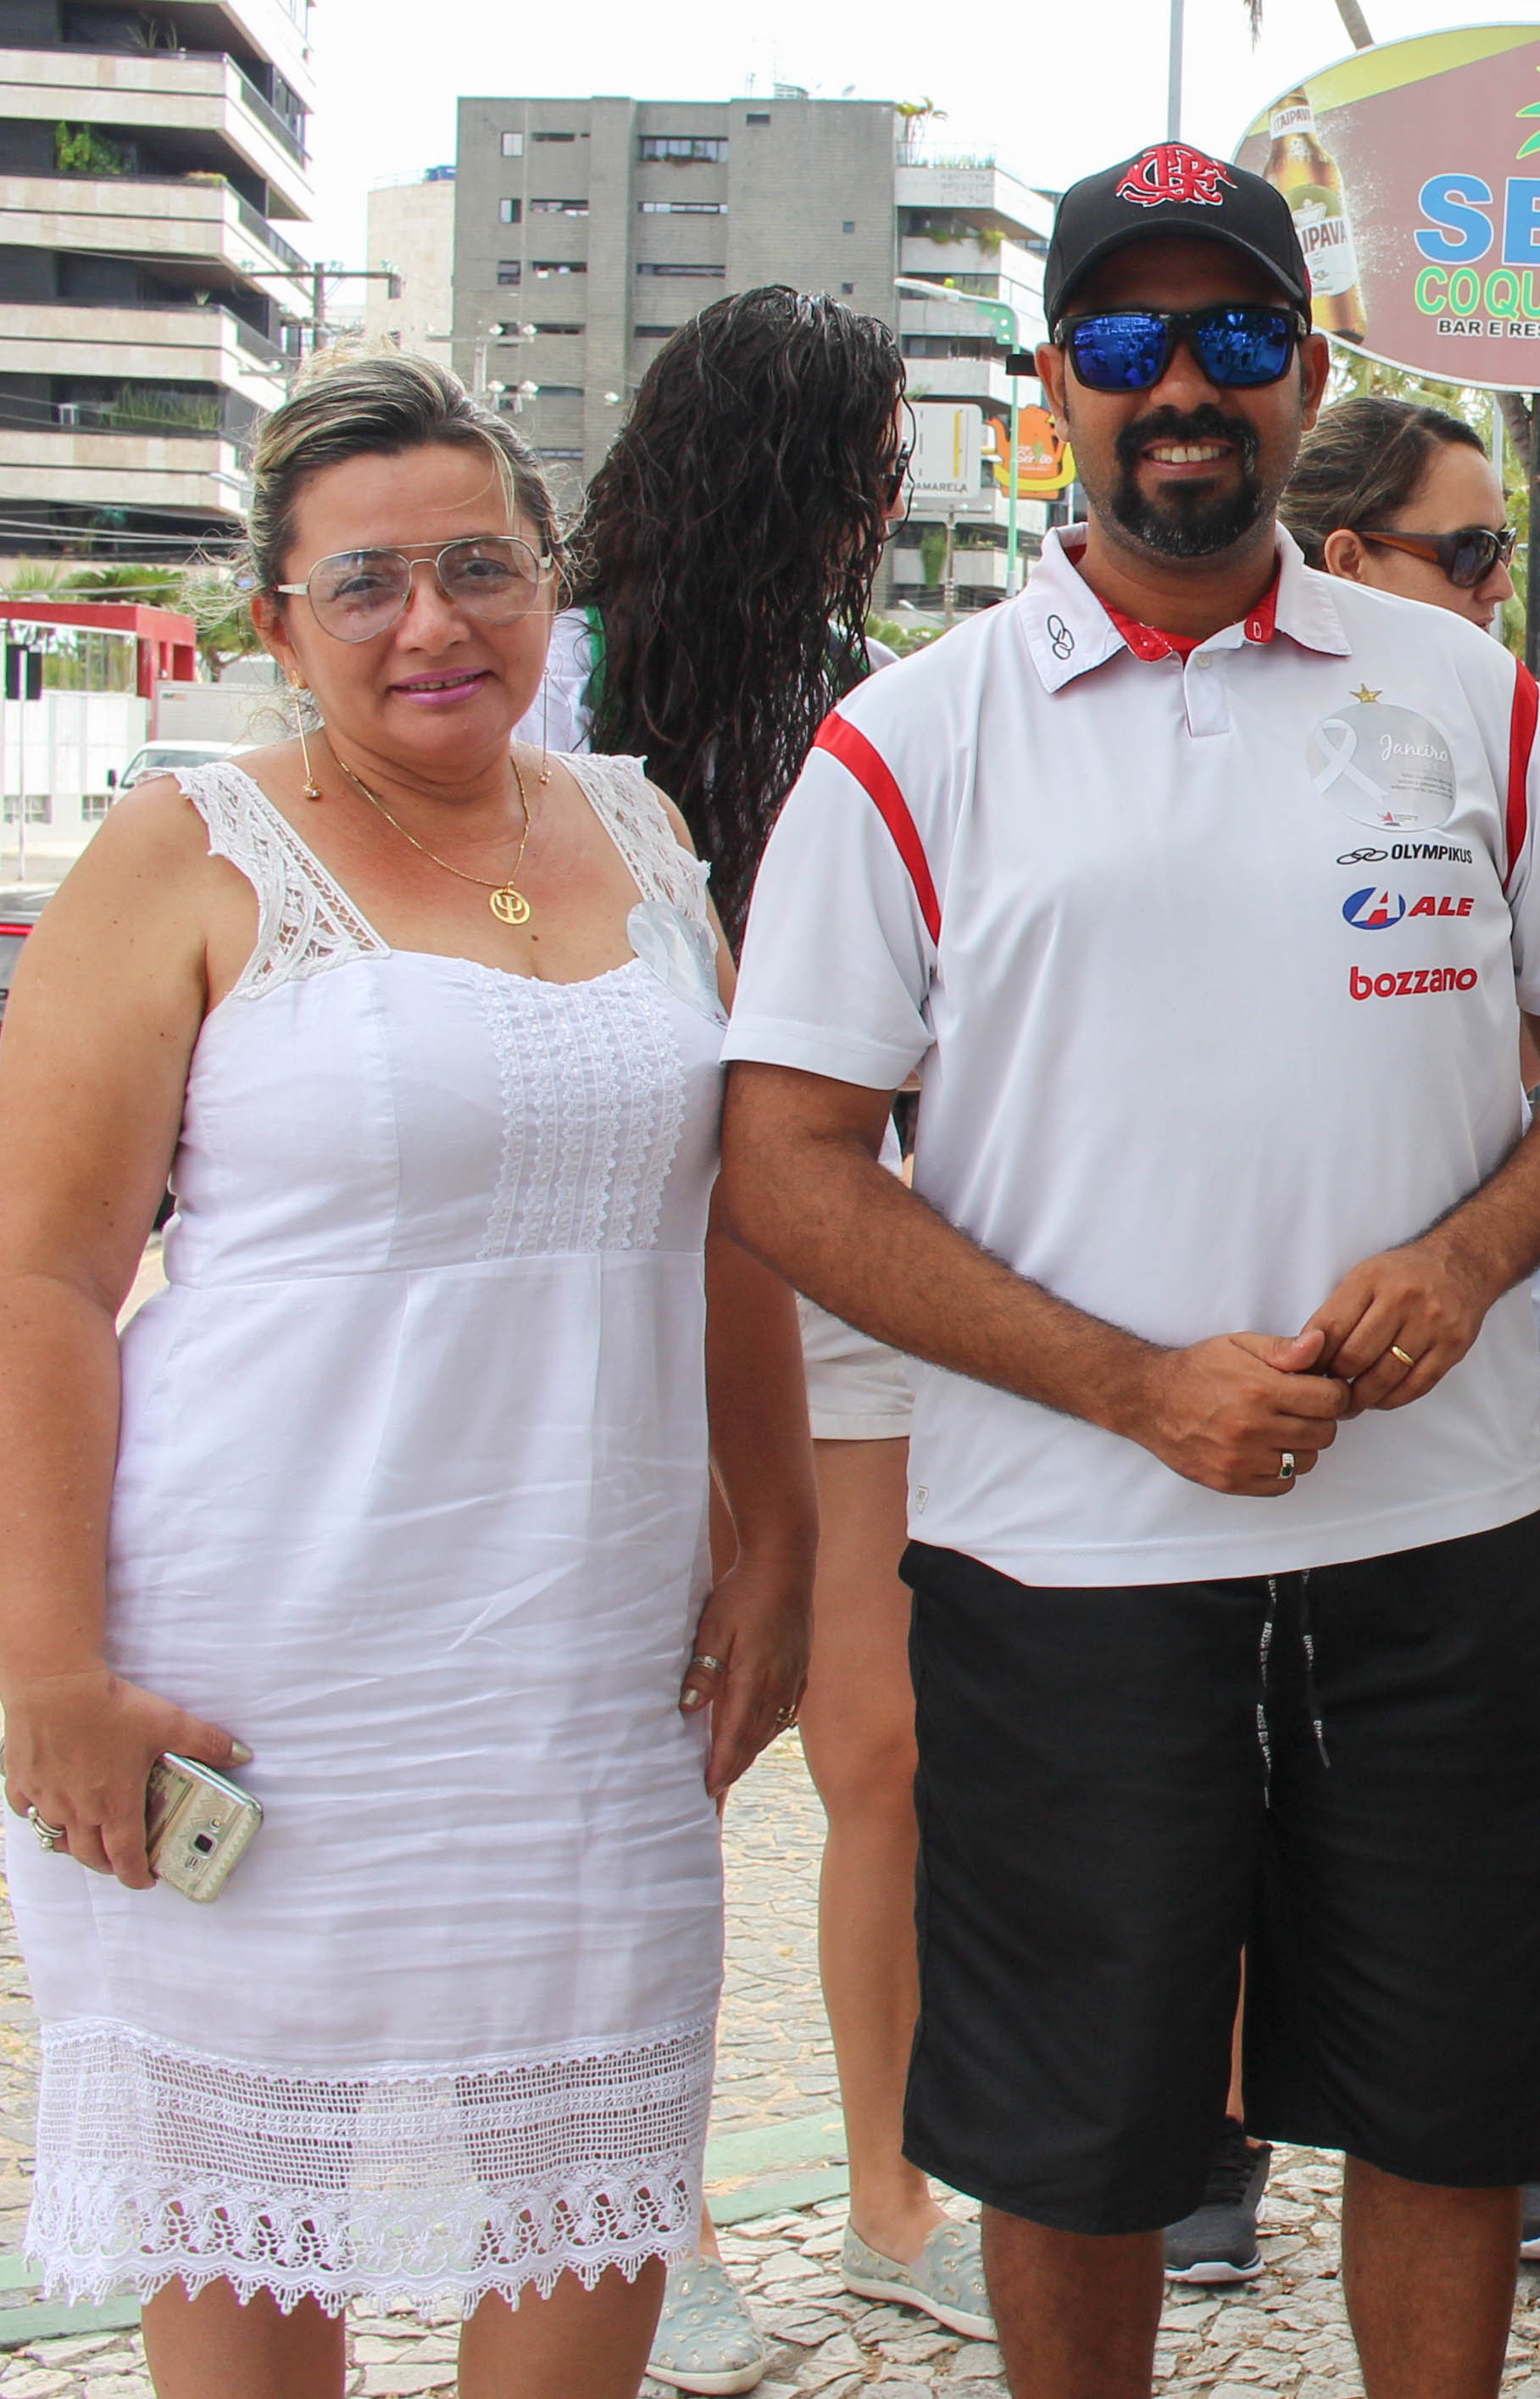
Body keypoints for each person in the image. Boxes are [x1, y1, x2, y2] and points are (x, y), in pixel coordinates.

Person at [714, 145, 1540, 2399]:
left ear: (1305, 375)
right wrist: (1132, 1384)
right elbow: (786, 1159)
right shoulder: (910, 740)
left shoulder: (1465, 692)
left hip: (1434, 1541)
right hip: (1064, 1563)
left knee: (1452, 2096)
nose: (1183, 385)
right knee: (1080, 2133)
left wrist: (1471, 1251)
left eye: (1234, 335)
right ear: (1053, 385)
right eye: (1129, 341)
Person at [0, 353, 814, 2393]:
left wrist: (781, 1533)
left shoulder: (642, 829)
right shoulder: (185, 848)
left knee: (596, 2199)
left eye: (479, 565)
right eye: (364, 583)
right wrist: (48, 1665)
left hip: (581, 1659)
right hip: (255, 1659)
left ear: (548, 580)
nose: (431, 621)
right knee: (249, 2228)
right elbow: (40, 1276)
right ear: (276, 620)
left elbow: (729, 1220)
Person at [532, 284, 994, 2391]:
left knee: (883, 1746)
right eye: (865, 461)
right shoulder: (563, 684)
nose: (884, 502)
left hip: (848, 1259)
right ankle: (663, 2218)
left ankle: (894, 2200)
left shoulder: (879, 700)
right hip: (629, 1279)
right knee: (667, 1758)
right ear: (776, 466)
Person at [1266, 387, 1540, 2280]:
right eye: (1469, 552)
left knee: (1489, 1737)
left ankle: (1500, 2114)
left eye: (1498, 553)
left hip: (1493, 1310)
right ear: (1348, 558)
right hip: (1229, 1381)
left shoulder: (1498, 724)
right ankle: (1222, 2127)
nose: (1496, 585)